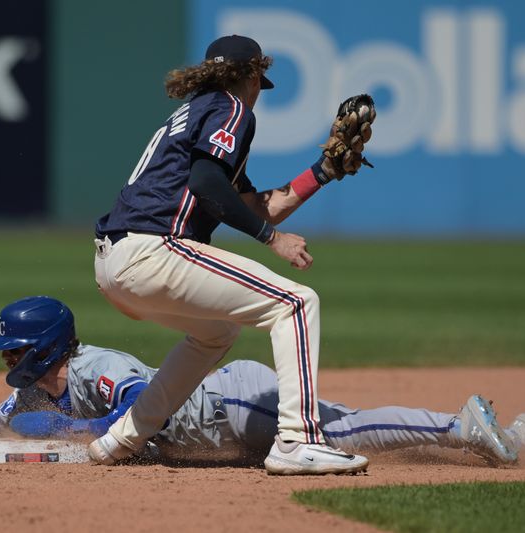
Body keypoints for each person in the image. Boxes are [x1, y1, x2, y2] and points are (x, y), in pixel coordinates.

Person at [0, 297, 525, 466]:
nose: (7, 363)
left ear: (46, 349)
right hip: (221, 432)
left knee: (338, 430)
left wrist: (66, 430)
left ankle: (462, 423)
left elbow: (138, 414)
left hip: (229, 402)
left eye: (14, 352)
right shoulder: (38, 390)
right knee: (345, 430)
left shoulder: (98, 369)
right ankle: (499, 434)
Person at [91, 34, 377, 474]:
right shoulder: (231, 108)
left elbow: (250, 204)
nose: (258, 92)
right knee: (297, 304)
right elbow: (209, 187)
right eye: (260, 81)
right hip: (152, 250)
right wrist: (272, 240)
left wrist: (324, 171)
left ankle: (122, 439)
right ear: (249, 75)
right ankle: (297, 440)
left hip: (116, 262)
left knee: (216, 333)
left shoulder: (198, 113)